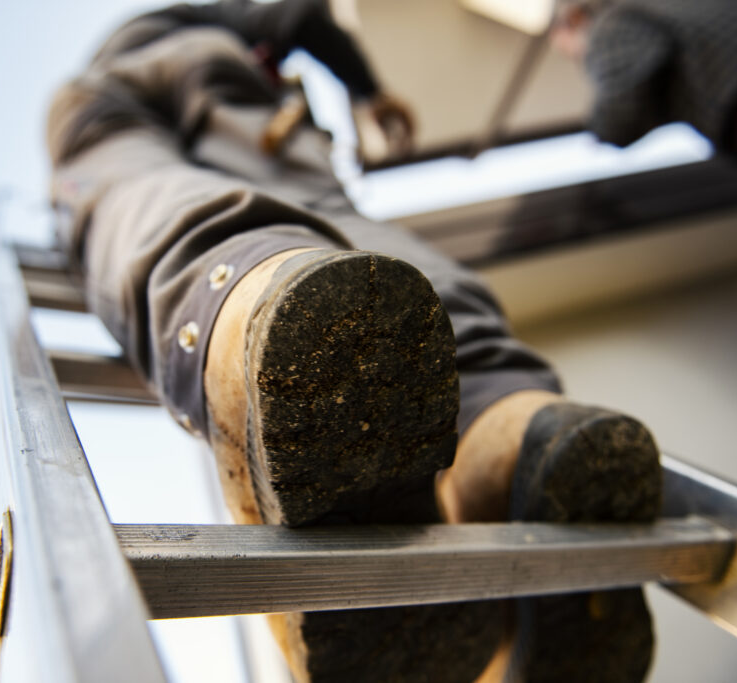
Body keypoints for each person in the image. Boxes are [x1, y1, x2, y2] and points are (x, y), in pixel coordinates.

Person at [46, 1, 662, 680]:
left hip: (113, 102)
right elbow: (298, 13)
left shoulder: (139, 45)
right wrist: (368, 90)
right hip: (261, 105)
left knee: (135, 191)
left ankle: (244, 311)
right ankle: (504, 421)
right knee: (342, 228)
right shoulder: (223, 19)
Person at [552, 0, 737, 188]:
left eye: (574, 55)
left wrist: (600, 130)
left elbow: (621, 108)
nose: (581, 61)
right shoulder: (668, 8)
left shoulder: (609, 24)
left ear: (574, 19)